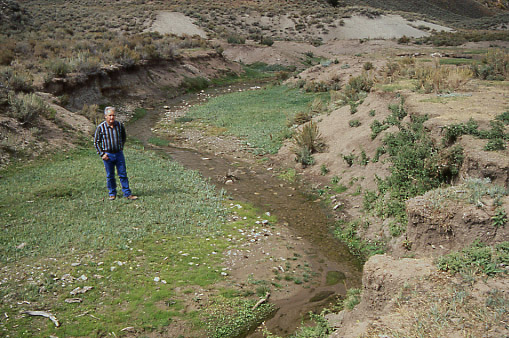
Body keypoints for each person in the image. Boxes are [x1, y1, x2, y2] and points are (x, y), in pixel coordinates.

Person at [94, 106, 138, 200]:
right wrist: (102, 154)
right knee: (110, 176)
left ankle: (127, 194)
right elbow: (96, 142)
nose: (112, 118)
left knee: (123, 174)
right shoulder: (100, 128)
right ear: (105, 116)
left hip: (119, 154)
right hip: (108, 155)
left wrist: (120, 147)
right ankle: (112, 193)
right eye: (110, 115)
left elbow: (123, 137)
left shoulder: (119, 125)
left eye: (113, 115)